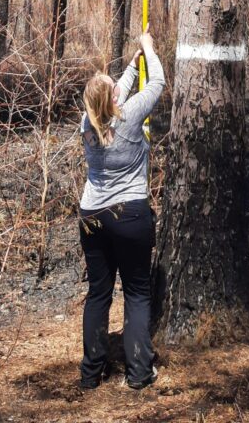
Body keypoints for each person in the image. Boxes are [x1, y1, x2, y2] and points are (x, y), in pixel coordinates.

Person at [78, 29, 165, 390]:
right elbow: (158, 82)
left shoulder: (88, 123)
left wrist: (131, 66)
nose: (116, 86)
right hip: (129, 214)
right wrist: (147, 47)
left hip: (92, 216)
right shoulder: (128, 118)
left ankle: (90, 374)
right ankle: (139, 374)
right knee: (136, 292)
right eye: (112, 83)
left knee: (99, 292)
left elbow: (114, 98)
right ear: (111, 97)